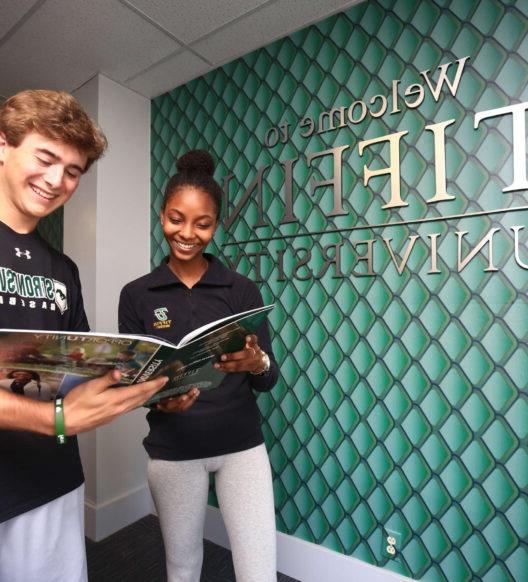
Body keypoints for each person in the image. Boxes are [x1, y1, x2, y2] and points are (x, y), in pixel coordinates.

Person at [0, 89, 168, 582]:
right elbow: (61, 409)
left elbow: (77, 374)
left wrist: (155, 385)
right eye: (46, 158)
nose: (57, 181)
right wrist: (55, 416)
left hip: (52, 483)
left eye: (73, 171)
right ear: (4, 145)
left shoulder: (62, 268)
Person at [119, 150, 279, 582]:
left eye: (202, 224)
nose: (187, 234)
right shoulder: (137, 295)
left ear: (216, 225)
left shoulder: (241, 289)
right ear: (162, 214)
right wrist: (157, 399)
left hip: (241, 448)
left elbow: (269, 379)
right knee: (183, 567)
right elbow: (131, 386)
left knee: (259, 569)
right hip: (174, 451)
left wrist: (255, 360)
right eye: (176, 219)